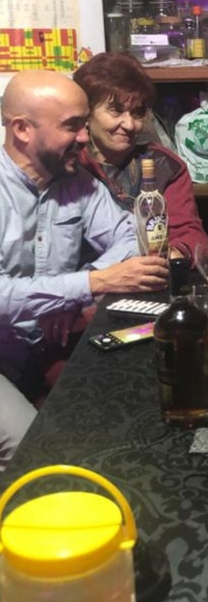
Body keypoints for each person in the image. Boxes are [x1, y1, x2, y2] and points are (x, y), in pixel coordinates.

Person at [0, 69, 168, 457]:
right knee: (32, 449)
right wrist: (88, 286)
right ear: (23, 129)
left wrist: (67, 296)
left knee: (125, 409)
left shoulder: (75, 181)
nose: (84, 137)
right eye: (72, 126)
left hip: (43, 349)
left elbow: (131, 236)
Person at [73, 51, 208, 262]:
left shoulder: (166, 165)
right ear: (87, 113)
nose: (129, 124)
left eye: (137, 113)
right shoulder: (71, 164)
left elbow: (188, 233)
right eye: (116, 110)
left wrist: (177, 253)